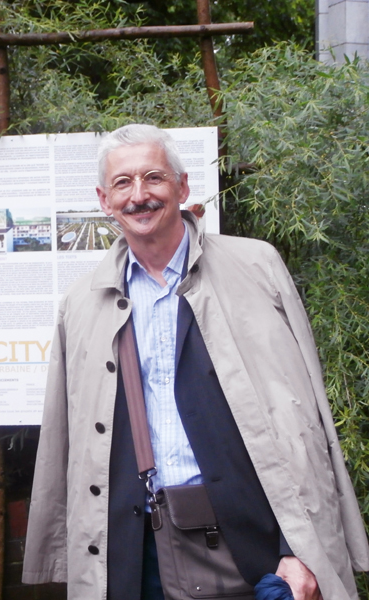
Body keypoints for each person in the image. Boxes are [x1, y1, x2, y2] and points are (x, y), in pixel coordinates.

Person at [22, 124, 369, 600]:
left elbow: (301, 419)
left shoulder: (256, 267)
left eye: (154, 177)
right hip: (134, 552)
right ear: (104, 200)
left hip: (254, 547)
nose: (139, 195)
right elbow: (68, 443)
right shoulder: (81, 304)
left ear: (182, 187)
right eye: (123, 183)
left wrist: (296, 547)